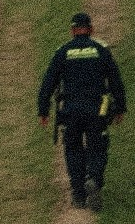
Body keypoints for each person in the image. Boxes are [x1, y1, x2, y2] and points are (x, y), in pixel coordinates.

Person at [35, 11, 128, 208]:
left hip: (70, 112)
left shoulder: (63, 52)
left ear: (72, 31)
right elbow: (115, 81)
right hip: (97, 111)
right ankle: (93, 179)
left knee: (73, 149)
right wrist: (120, 107)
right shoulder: (101, 50)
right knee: (97, 147)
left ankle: (78, 193)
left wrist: (43, 110)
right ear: (91, 30)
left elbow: (48, 83)